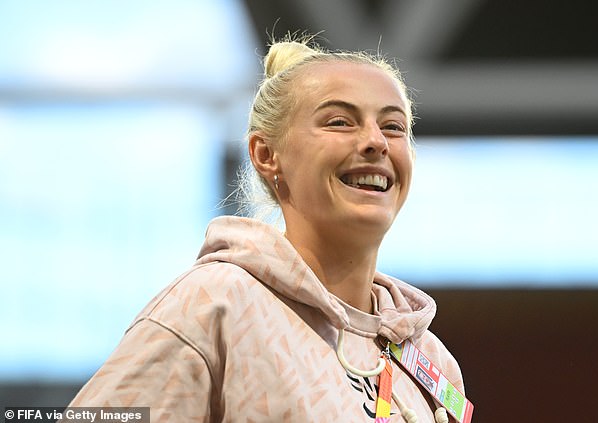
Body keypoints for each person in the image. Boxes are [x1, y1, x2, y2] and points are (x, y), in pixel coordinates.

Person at [65, 35, 467, 423]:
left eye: (393, 127)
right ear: (266, 155)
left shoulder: (432, 361)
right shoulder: (215, 304)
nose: (375, 142)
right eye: (340, 121)